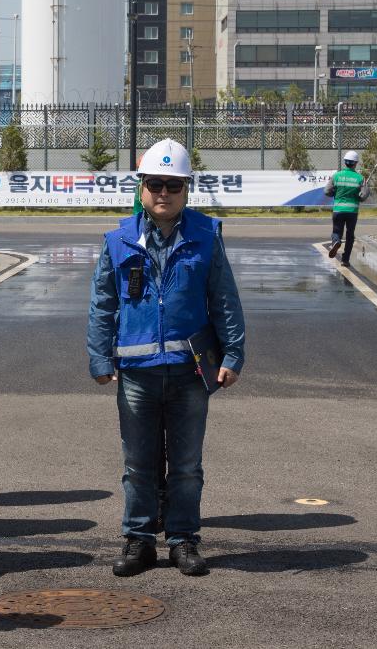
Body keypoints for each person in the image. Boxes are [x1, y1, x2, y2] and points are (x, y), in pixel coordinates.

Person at [87, 138, 245, 578]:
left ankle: (183, 540)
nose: (163, 193)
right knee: (137, 465)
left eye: (173, 185)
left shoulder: (206, 235)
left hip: (190, 373)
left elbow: (225, 300)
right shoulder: (118, 240)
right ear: (141, 187)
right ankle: (138, 541)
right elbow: (103, 304)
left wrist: (233, 352)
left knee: (187, 465)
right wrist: (100, 357)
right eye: (155, 183)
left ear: (186, 190)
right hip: (136, 374)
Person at [325, 150, 371, 268]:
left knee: (336, 231)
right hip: (352, 212)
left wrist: (335, 193)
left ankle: (336, 241)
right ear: (355, 163)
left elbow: (327, 191)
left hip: (338, 210)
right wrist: (359, 197)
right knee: (350, 235)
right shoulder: (360, 178)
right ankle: (345, 260)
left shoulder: (336, 176)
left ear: (345, 162)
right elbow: (364, 195)